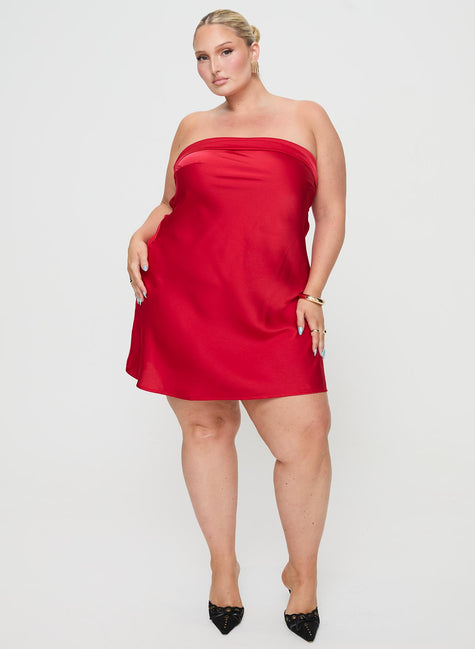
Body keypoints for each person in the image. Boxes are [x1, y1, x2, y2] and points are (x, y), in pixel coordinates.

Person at [125, 8, 346, 643]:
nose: (213, 67)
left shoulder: (307, 117)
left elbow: (332, 212)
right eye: (201, 57)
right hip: (187, 298)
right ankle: (223, 568)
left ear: (253, 48)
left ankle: (302, 574)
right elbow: (172, 202)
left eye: (224, 51)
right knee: (206, 430)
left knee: (305, 441)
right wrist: (140, 232)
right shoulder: (192, 126)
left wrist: (313, 293)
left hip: (275, 302)